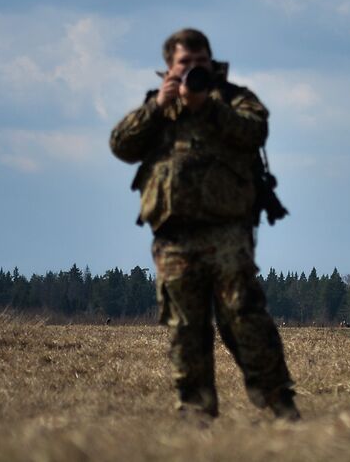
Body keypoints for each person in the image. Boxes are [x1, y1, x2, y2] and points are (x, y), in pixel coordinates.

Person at [109, 28, 298, 421]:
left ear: (212, 62)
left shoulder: (233, 99)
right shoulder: (158, 109)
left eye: (201, 62)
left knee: (243, 318)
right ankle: (195, 413)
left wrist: (208, 107)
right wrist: (157, 107)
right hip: (174, 238)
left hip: (227, 231)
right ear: (168, 68)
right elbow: (121, 145)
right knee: (185, 329)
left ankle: (278, 403)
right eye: (185, 64)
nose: (195, 69)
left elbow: (256, 131)